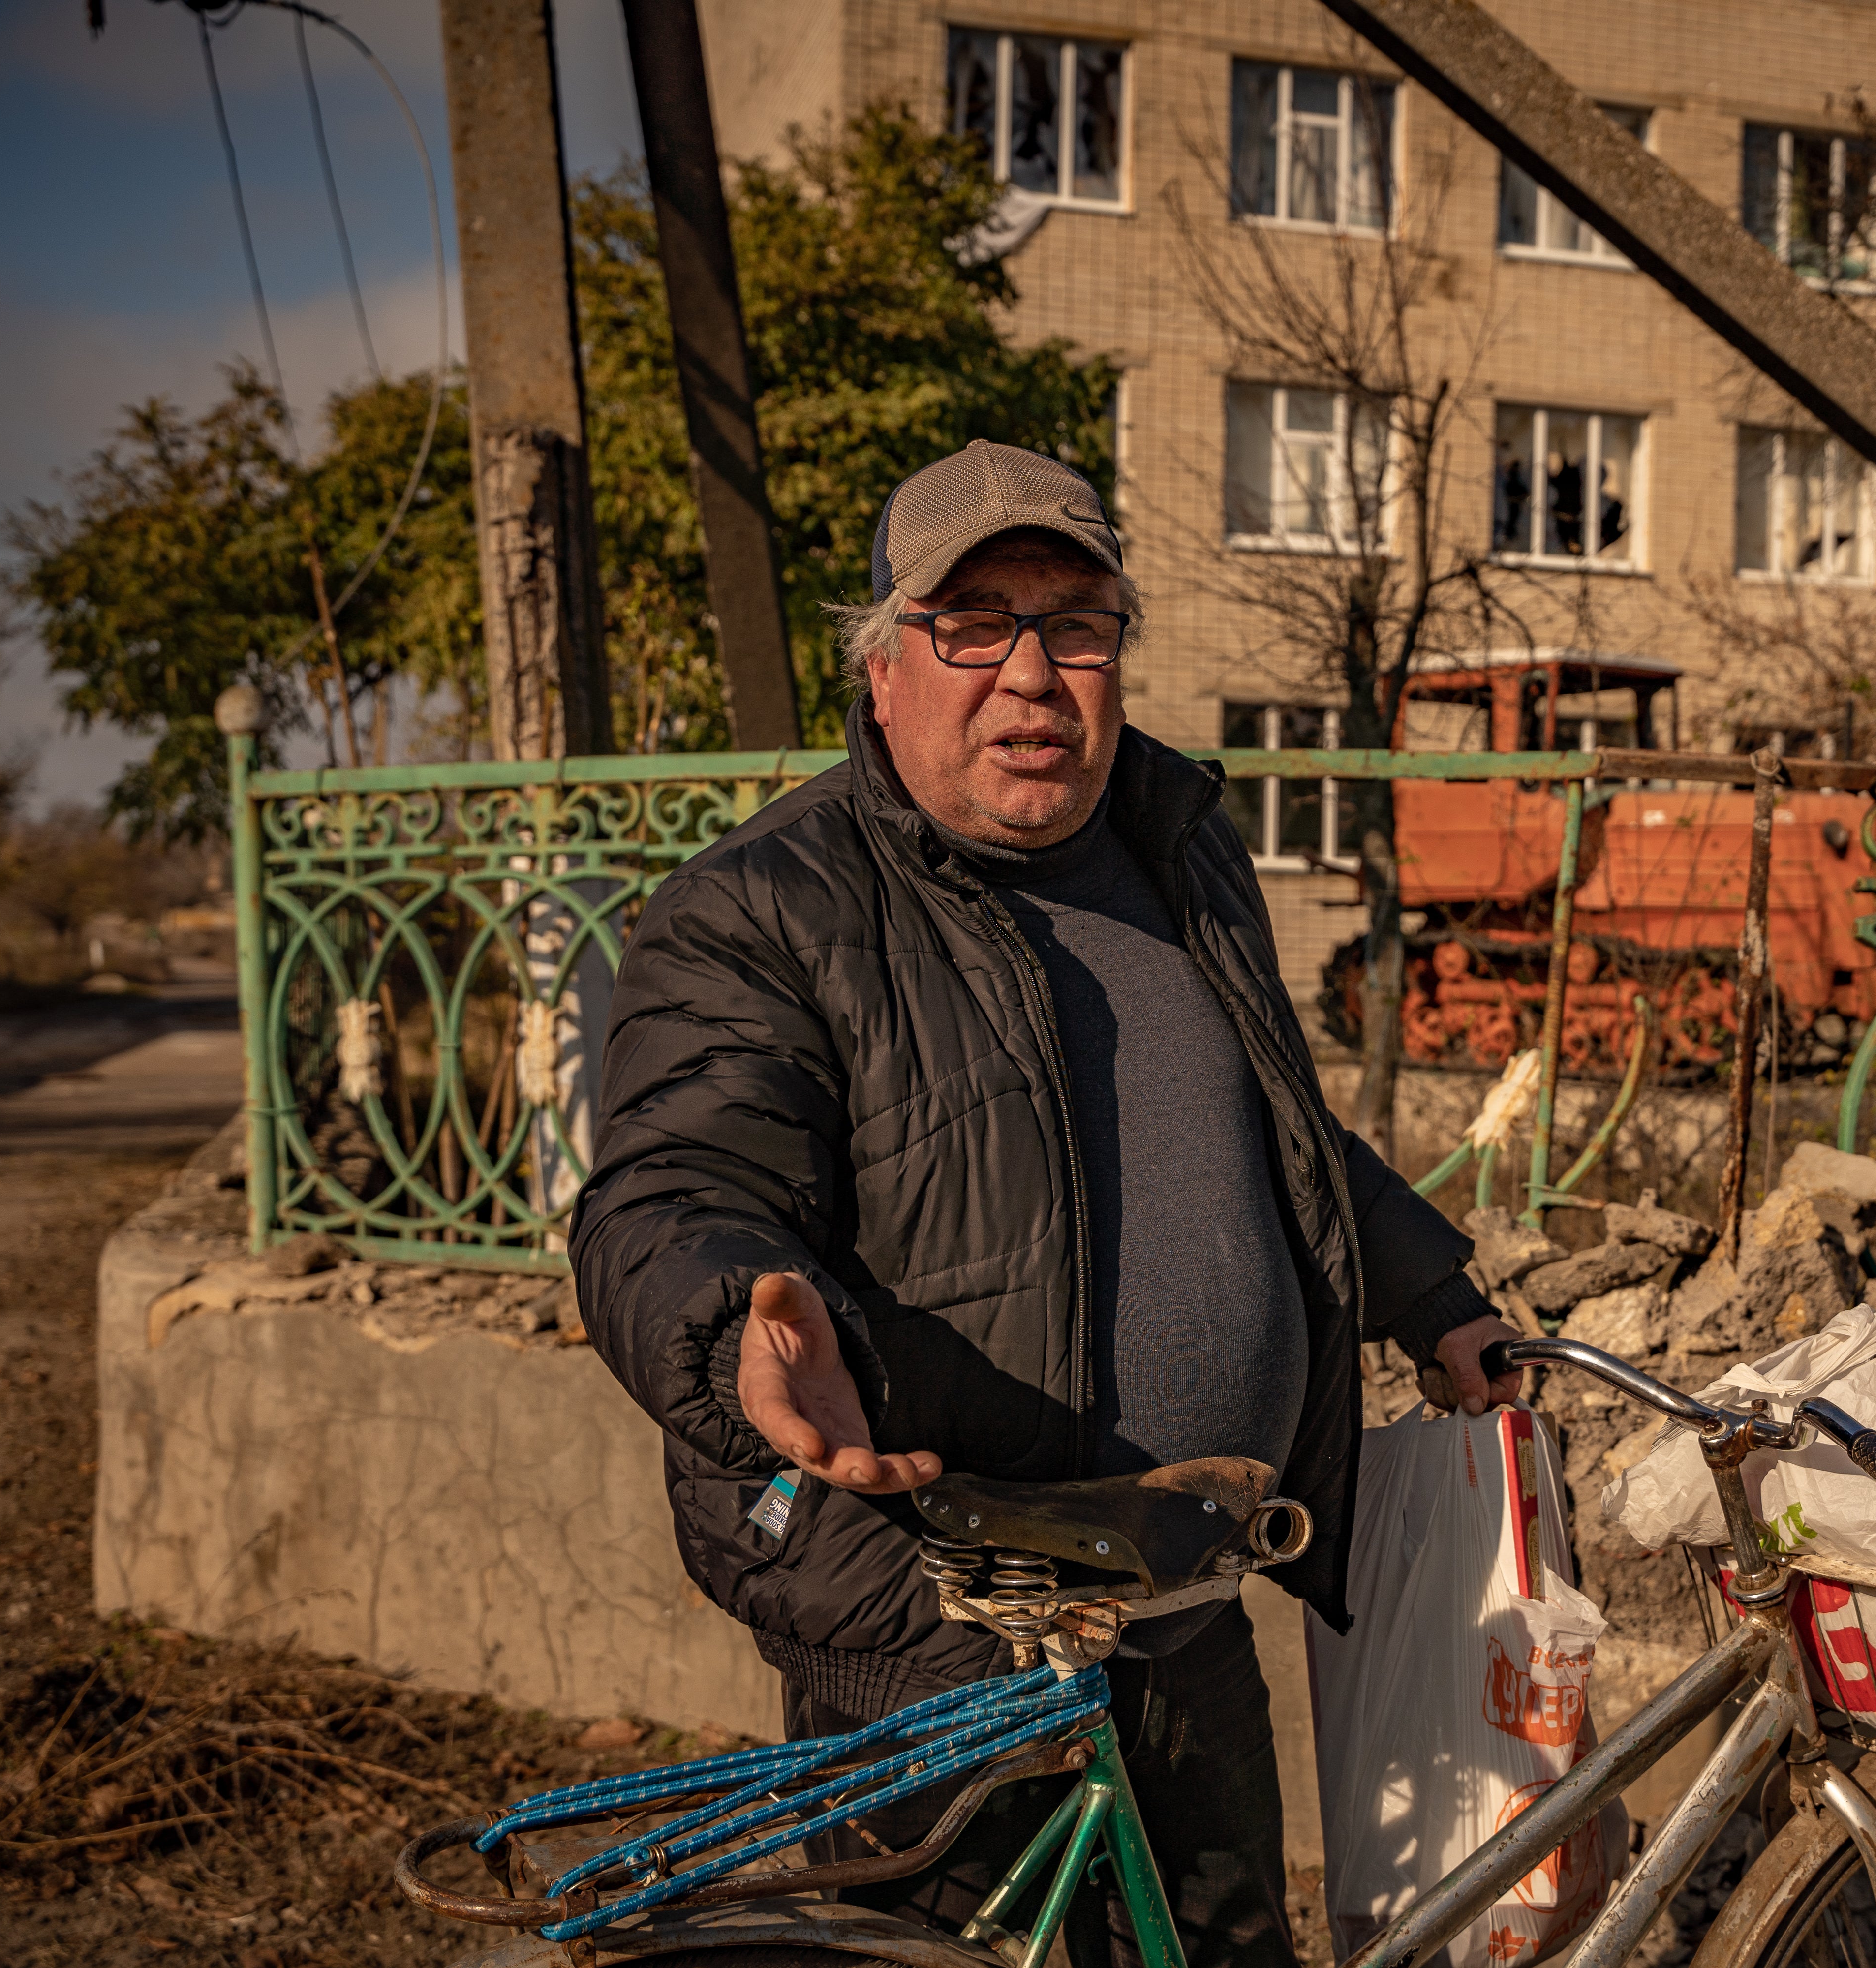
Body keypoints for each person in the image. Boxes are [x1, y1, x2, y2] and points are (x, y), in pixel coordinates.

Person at [571, 439, 1521, 1968]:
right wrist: (740, 1322)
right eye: (975, 625)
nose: (1033, 676)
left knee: (1220, 1949)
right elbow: (676, 1182)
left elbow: (1272, 1130)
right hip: (943, 1608)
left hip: (1185, 1582)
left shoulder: (1179, 849)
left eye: (1076, 626)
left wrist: (1433, 1296)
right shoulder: (766, 906)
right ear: (885, 666)